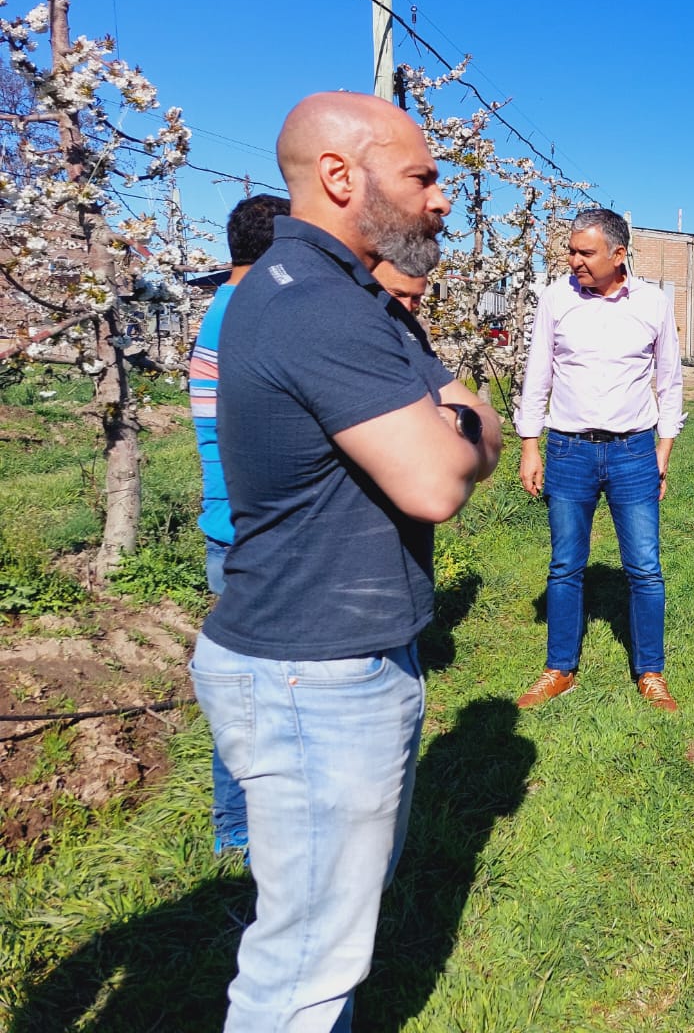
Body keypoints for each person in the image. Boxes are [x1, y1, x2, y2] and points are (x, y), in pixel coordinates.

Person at [189, 91, 501, 1032]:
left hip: (336, 660)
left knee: (330, 939)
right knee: (302, 970)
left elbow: (469, 420)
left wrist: (457, 425)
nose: (442, 199)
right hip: (312, 677)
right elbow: (439, 480)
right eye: (421, 177)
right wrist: (459, 429)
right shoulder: (317, 306)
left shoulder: (352, 299)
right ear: (338, 175)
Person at [512, 207, 684, 712]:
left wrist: (663, 450)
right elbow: (537, 374)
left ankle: (650, 672)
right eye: (571, 251)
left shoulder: (652, 304)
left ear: (618, 254)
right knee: (565, 565)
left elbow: (670, 381)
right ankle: (559, 668)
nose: (574, 260)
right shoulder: (556, 299)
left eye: (585, 252)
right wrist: (529, 444)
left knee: (645, 568)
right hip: (569, 451)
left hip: (634, 451)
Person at [186, 191, 289, 857]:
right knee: (257, 700)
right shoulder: (252, 318)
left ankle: (242, 829)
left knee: (252, 695)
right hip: (254, 534)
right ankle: (240, 831)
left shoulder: (223, 310)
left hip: (231, 529)